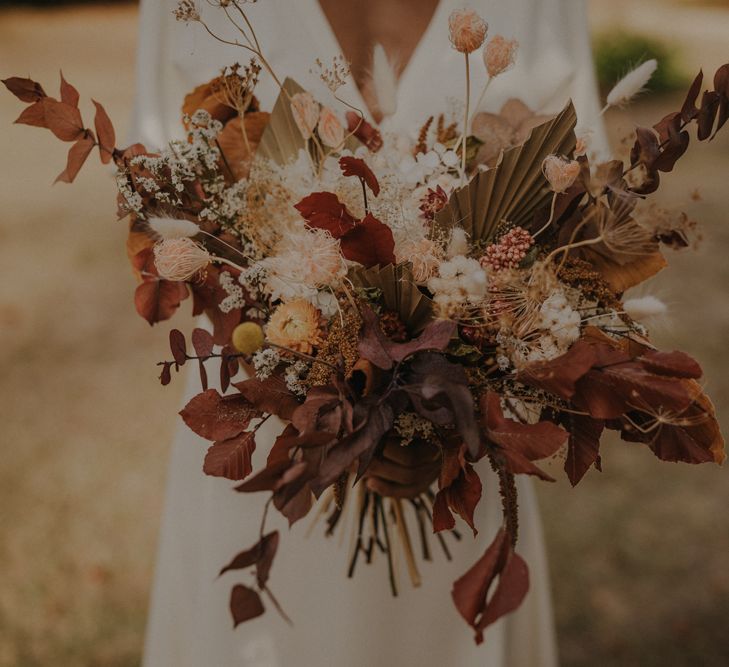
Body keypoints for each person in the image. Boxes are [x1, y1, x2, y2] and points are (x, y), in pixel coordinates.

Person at [133, 2, 607, 665]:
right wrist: (304, 394)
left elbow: (580, 216)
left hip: (459, 449)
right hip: (267, 444)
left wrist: (444, 417)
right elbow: (160, 207)